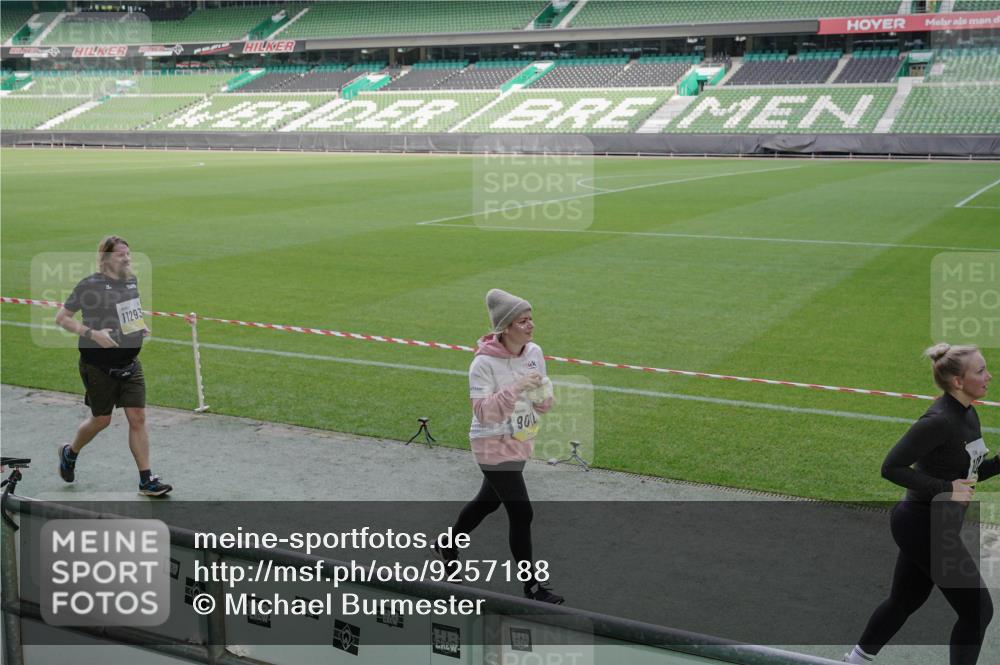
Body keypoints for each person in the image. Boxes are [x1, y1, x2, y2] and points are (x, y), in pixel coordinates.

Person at [845, 344, 995, 665]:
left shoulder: (968, 412)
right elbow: (891, 467)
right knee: (978, 611)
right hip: (923, 524)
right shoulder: (939, 420)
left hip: (935, 525)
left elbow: (966, 473)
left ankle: (853, 662)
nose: (989, 376)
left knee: (904, 600)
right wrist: (945, 488)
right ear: (957, 381)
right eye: (980, 371)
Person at [437, 289, 563, 604]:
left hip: (520, 439)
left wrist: (542, 392)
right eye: (523, 321)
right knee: (521, 512)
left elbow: (544, 403)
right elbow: (483, 411)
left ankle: (448, 543)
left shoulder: (535, 351)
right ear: (505, 327)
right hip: (490, 442)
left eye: (531, 318)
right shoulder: (482, 365)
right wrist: (517, 386)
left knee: (487, 502)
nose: (531, 325)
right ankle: (532, 587)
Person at [54, 235, 172, 497]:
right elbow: (61, 318)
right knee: (101, 420)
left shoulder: (131, 280)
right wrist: (92, 334)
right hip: (98, 366)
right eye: (121, 255)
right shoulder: (89, 285)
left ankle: (146, 480)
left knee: (137, 418)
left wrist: (138, 326)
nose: (128, 258)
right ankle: (70, 452)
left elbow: (129, 312)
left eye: (128, 254)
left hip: (130, 363)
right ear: (107, 258)